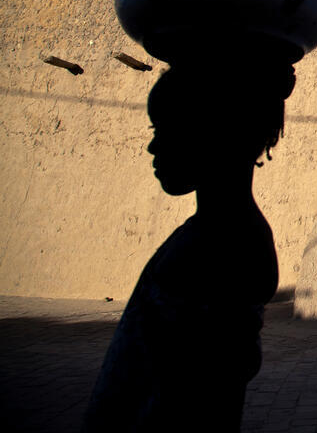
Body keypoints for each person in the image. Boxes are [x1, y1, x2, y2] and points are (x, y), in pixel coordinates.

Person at [83, 56, 295, 431]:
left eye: (168, 130)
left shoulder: (219, 247)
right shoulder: (223, 234)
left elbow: (189, 398)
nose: (153, 147)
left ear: (215, 135)